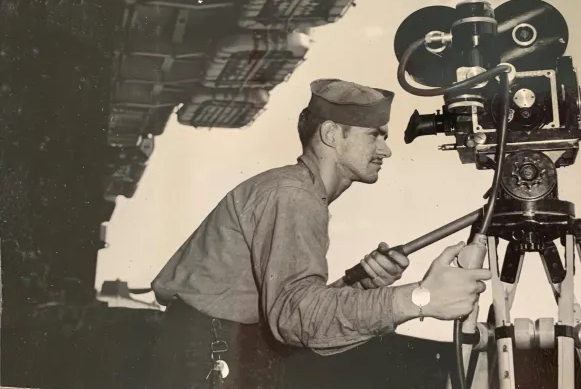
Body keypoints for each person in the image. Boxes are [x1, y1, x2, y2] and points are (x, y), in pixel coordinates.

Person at [144, 78, 492, 389]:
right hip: (212, 356)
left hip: (219, 351)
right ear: (330, 135)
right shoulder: (293, 195)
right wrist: (419, 299)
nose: (386, 149)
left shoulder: (297, 190)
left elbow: (295, 315)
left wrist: (363, 285)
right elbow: (296, 319)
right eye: (374, 135)